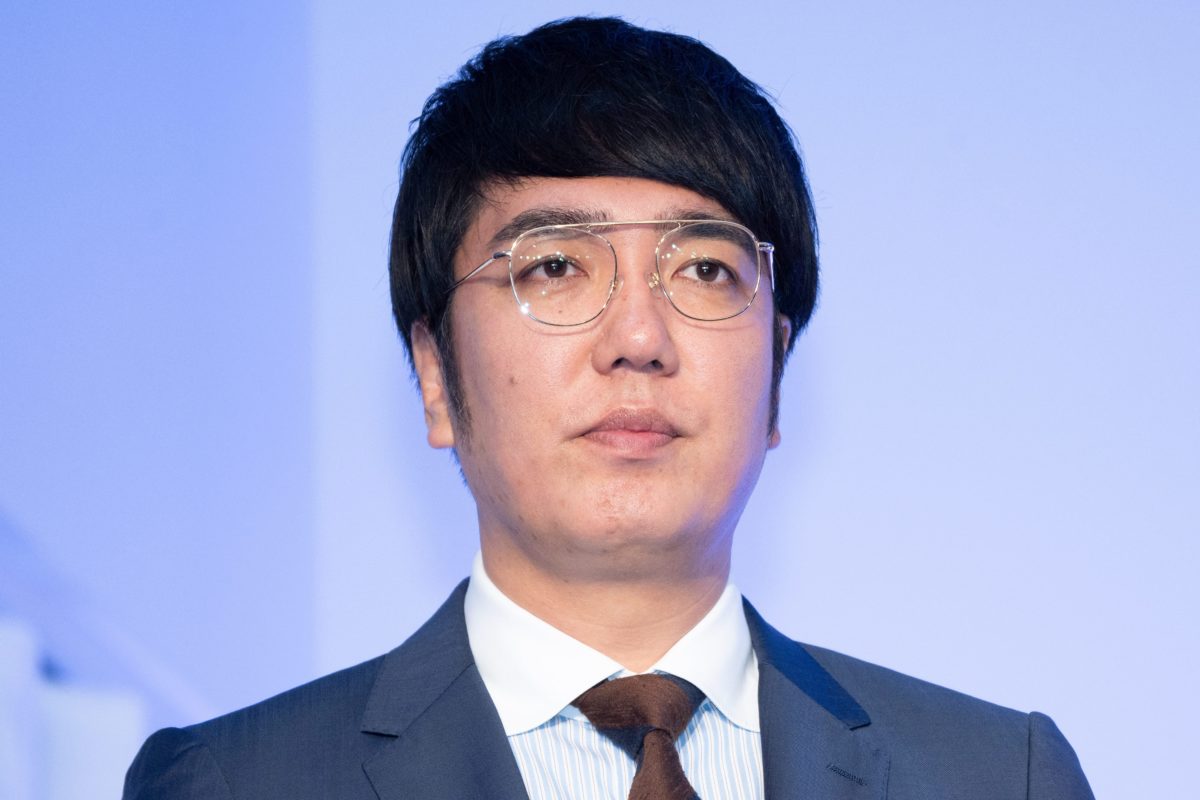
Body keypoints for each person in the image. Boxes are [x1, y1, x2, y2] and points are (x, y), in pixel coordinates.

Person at [123, 16, 1094, 799]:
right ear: (434, 375)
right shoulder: (233, 782)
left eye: (704, 270)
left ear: (776, 371)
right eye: (554, 266)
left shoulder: (999, 777)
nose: (638, 335)